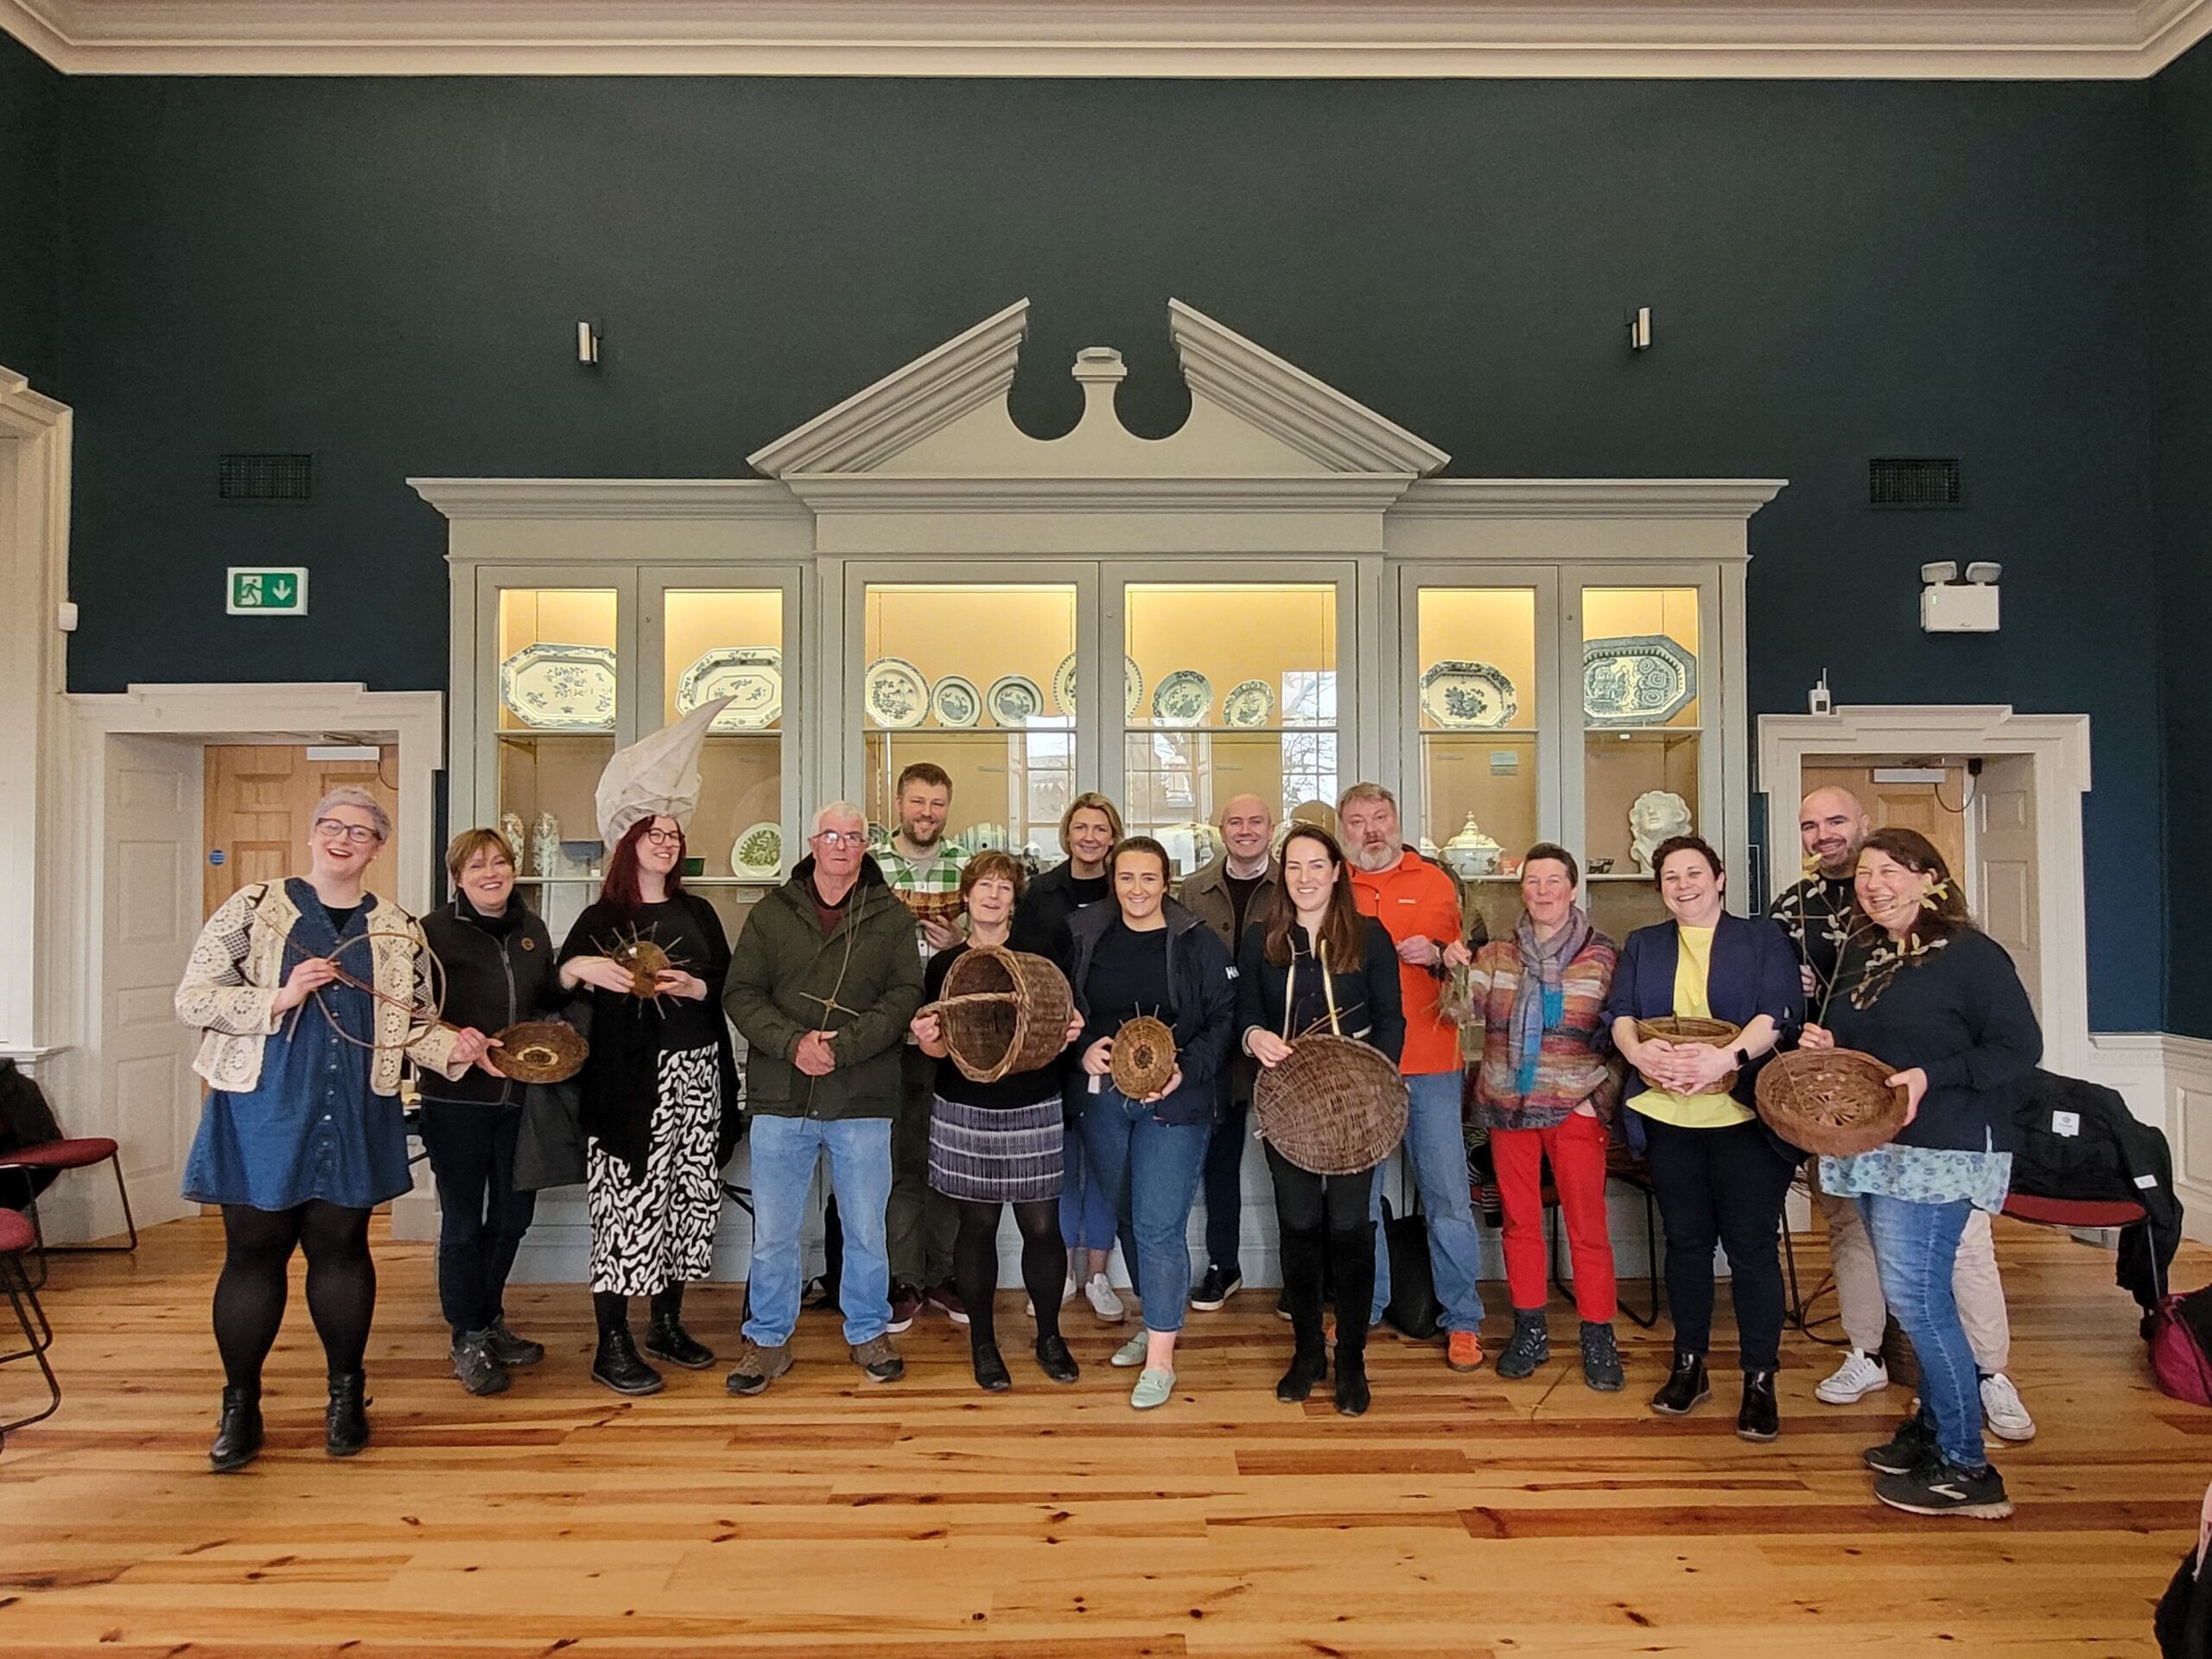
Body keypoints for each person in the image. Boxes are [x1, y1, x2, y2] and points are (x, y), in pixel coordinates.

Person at [176, 786, 490, 1471]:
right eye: (332, 826)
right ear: (313, 834)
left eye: (361, 831)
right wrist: (280, 996)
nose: (343, 839)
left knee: (343, 1250)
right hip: (262, 1105)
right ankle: (240, 1405)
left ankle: (346, 1397)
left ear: (378, 847)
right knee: (253, 1252)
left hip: (355, 1107)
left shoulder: (399, 929)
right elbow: (193, 997)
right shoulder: (255, 908)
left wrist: (451, 1049)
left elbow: (409, 1021)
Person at [1777, 789, 2036, 1440]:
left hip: (1944, 1148)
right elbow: (1853, 1037)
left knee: (1939, 1283)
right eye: (1865, 876)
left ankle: (1981, 1393)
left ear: (1929, 879)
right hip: (1872, 1142)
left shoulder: (1972, 955)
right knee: (1891, 1273)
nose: (1873, 886)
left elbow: (2018, 1048)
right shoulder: (1864, 953)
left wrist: (1934, 1076)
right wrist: (1826, 1044)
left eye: (1889, 871)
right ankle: (1903, 1391)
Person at [723, 802, 924, 1395]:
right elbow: (741, 993)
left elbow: (905, 993)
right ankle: (767, 1341)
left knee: (865, 1228)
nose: (841, 845)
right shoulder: (771, 913)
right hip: (782, 1095)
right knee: (777, 1233)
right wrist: (793, 1044)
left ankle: (867, 1331)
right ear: (813, 842)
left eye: (853, 836)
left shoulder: (889, 917)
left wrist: (846, 1045)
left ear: (866, 846)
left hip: (862, 1094)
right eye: (831, 835)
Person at [1606, 835, 1801, 1440]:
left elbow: (1780, 1011)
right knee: (1685, 1246)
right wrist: (1641, 1053)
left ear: (1719, 879)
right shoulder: (1644, 944)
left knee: (1750, 1249)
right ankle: (1689, 1364)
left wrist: (1726, 1060)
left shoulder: (1762, 938)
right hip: (1670, 1117)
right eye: (1670, 876)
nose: (1683, 884)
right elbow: (1619, 1015)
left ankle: (1759, 1380)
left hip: (1744, 1119)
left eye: (1694, 872)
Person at [557, 813, 736, 1397]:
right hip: (631, 1086)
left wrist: (696, 987)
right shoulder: (601, 918)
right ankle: (611, 1343)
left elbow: (729, 984)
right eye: (654, 834)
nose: (666, 843)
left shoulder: (699, 913)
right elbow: (550, 988)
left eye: (674, 836)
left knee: (686, 1201)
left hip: (700, 1075)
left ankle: (665, 1324)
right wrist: (577, 967)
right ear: (629, 846)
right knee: (626, 1210)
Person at [1445, 842, 1624, 1391]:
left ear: (1573, 889)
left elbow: (1624, 1032)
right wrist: (1451, 969)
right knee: (1520, 1224)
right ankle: (1531, 1331)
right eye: (1533, 881)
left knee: (1587, 1226)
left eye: (1553, 881)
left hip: (1575, 1108)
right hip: (1507, 1108)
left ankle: (1598, 1337)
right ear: (1521, 890)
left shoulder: (1603, 956)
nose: (1543, 891)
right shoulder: (1498, 954)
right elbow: (1460, 1012)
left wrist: (1601, 1099)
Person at [1236, 826, 1402, 1416]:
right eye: (1294, 867)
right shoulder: (1263, 939)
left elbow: (1391, 1020)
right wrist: (1255, 1036)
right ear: (1284, 877)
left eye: (1317, 865)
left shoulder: (1371, 937)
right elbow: (1247, 1014)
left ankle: (1351, 1357)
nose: (1305, 877)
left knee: (1351, 1227)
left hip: (1357, 1105)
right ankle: (1307, 1351)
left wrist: (1375, 1089)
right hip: (1288, 1101)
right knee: (1300, 1224)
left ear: (1338, 871)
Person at [1065, 836, 1236, 1409]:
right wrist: (1084, 1046)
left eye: (1148, 878)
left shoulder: (1195, 941)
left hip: (1174, 1101)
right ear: (1112, 881)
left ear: (1167, 882)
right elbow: (1061, 1009)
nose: (1136, 889)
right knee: (1130, 1218)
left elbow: (1222, 1018)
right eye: (1125, 878)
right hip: (1105, 1098)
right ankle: (1156, 1320)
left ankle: (1162, 1359)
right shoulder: (1086, 935)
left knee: (1160, 1225)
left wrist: (1185, 1071)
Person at [910, 852, 1085, 1391]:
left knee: (1042, 1227)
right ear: (967, 896)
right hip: (965, 1107)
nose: (992, 895)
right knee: (978, 1227)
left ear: (1015, 898)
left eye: (1003, 888)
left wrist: (1070, 1028)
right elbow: (939, 1051)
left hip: (1033, 1102)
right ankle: (982, 1343)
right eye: (983, 886)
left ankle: (1050, 1336)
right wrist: (928, 1041)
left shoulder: (1040, 956)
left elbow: (1063, 1024)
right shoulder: (944, 967)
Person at [1338, 782, 1490, 1371]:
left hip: (1432, 1063)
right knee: (1360, 1201)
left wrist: (1443, 952)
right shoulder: (1333, 887)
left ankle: (1463, 1319)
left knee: (1448, 1197)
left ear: (1397, 821)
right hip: (1361, 1069)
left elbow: (1473, 970)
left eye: (1381, 817)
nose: (1372, 830)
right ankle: (1365, 1306)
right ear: (1343, 830)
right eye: (1358, 821)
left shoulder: (1437, 882)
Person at [418, 828, 565, 1396]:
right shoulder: (430, 934)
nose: (490, 873)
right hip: (454, 1100)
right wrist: (461, 1045)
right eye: (476, 865)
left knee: (511, 1218)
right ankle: (467, 1336)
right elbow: (412, 1016)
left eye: (499, 862)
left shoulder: (533, 930)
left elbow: (547, 1001)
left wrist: (572, 986)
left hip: (523, 1100)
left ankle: (491, 1319)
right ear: (458, 877)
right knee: (462, 1222)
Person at [1011, 791, 1128, 1324]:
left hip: (1113, 1044)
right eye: (1080, 827)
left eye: (1100, 829)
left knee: (1106, 1164)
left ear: (1113, 835)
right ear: (1067, 834)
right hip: (1051, 1045)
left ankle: (1099, 1274)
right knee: (1057, 1165)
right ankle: (1055, 1275)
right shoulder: (1040, 893)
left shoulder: (1125, 887)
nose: (1089, 837)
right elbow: (1027, 967)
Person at [873, 761, 968, 1331]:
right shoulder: (872, 864)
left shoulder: (963, 865)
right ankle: (903, 1278)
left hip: (952, 1038)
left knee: (949, 1164)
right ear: (899, 804)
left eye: (936, 803)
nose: (926, 813)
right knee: (902, 1165)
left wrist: (957, 940)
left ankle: (946, 1273)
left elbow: (990, 939)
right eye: (917, 802)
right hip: (888, 1038)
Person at [1179, 791, 1278, 1311]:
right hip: (1216, 1046)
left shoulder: (1293, 885)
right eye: (1234, 821)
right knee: (1218, 1160)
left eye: (1255, 820)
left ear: (1272, 827)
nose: (1245, 829)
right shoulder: (1193, 891)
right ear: (1221, 829)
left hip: (1281, 1044)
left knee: (1296, 1161)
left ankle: (1307, 1276)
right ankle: (1224, 1265)